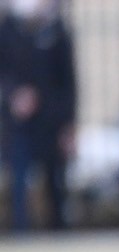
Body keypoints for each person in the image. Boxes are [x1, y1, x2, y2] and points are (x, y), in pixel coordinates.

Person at [0, 0, 76, 232]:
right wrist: (14, 96)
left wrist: (69, 125)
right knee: (18, 178)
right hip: (17, 121)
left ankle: (58, 232)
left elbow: (68, 83)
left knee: (55, 180)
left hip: (51, 120)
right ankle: (20, 231)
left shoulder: (57, 31)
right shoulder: (8, 30)